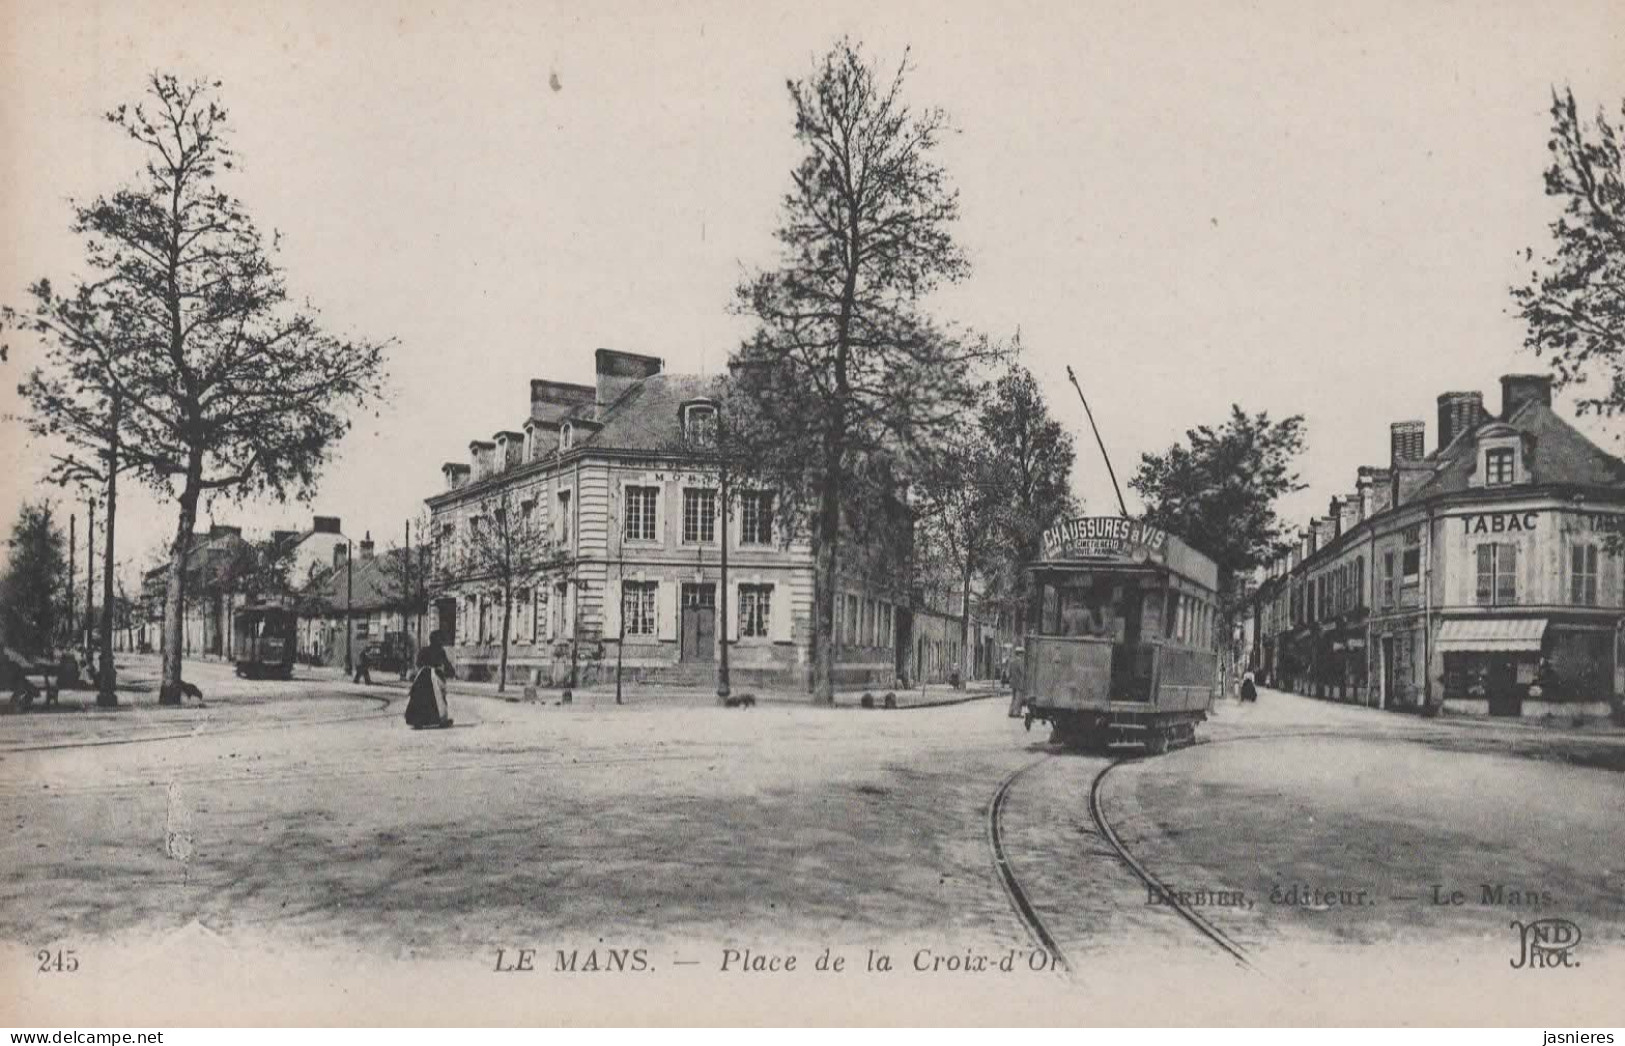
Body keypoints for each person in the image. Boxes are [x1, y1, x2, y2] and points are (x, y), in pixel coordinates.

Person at [405, 630, 455, 728]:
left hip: (422, 676)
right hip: (435, 676)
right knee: (438, 698)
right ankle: (441, 720)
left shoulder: (424, 650)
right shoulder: (440, 651)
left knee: (419, 698)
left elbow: (418, 663)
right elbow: (446, 663)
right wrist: (452, 672)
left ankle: (418, 721)